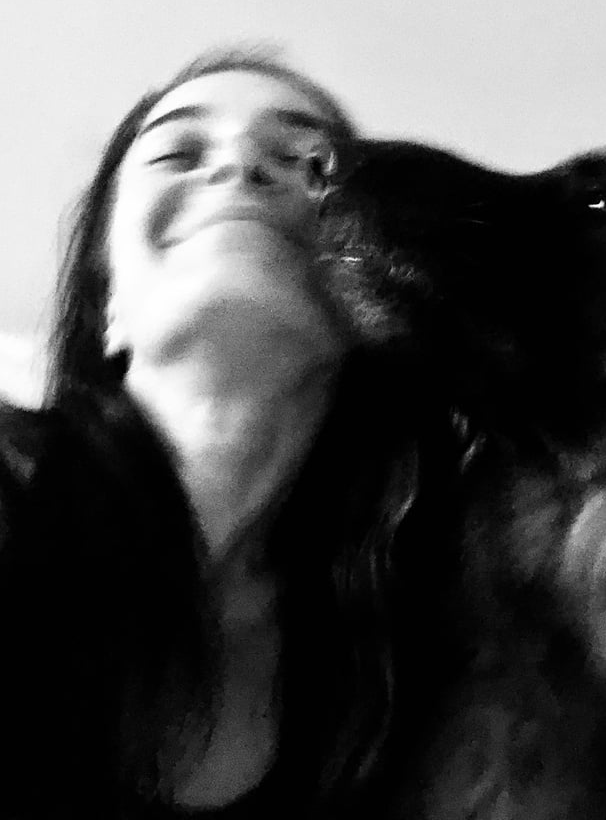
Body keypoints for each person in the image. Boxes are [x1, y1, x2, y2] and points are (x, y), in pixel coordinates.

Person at [0, 49, 455, 819]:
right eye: (178, 153)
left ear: (368, 299)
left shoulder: (426, 639)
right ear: (109, 305)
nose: (240, 167)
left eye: (309, 161)